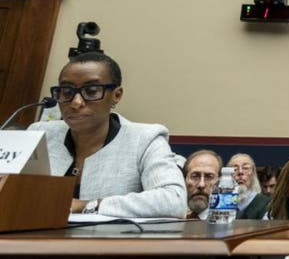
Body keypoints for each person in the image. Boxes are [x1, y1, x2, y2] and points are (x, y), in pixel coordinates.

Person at [27, 51, 187, 218]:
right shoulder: (40, 134)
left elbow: (174, 201)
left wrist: (87, 206)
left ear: (116, 95)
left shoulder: (144, 139)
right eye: (66, 92)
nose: (76, 102)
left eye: (91, 91)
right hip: (34, 240)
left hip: (109, 242)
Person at [228, 153, 271, 219]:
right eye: (235, 169)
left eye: (245, 168)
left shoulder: (265, 204)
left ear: (253, 173)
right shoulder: (222, 203)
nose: (240, 172)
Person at [183, 149, 223, 219]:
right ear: (184, 180)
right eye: (195, 176)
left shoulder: (230, 222)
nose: (201, 185)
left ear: (220, 182)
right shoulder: (180, 219)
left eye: (209, 177)